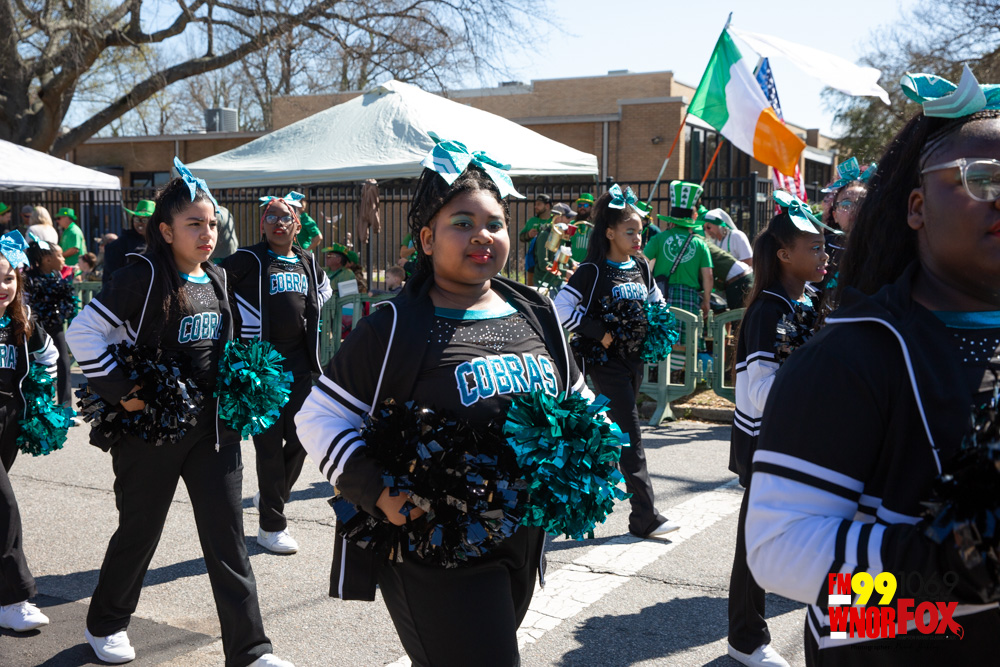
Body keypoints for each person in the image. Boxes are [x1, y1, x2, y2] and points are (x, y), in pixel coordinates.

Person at [295, 139, 589, 667]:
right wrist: (375, 489)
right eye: (463, 223)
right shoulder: (395, 325)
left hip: (522, 537)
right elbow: (319, 415)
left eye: (495, 224)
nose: (483, 235)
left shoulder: (536, 311)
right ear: (427, 239)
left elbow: (576, 398)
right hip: (435, 548)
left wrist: (588, 453)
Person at [745, 67, 1000, 665]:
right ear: (917, 206)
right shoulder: (852, 355)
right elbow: (778, 547)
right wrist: (954, 573)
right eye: (983, 178)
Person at [66, 163, 293, 667]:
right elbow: (82, 332)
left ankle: (251, 649)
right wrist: (124, 392)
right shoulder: (141, 275)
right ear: (166, 231)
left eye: (211, 223)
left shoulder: (217, 275)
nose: (206, 233)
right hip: (153, 431)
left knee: (228, 539)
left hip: (214, 431)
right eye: (193, 224)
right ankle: (106, 623)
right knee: (140, 531)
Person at [726, 193, 828, 667]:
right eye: (815, 248)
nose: (824, 256)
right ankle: (746, 639)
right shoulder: (768, 310)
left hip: (804, 440)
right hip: (768, 445)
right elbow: (758, 393)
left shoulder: (808, 300)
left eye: (824, 246)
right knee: (755, 544)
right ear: (785, 254)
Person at [553, 184, 679, 540]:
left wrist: (656, 325)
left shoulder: (639, 266)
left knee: (612, 436)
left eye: (640, 231)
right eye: (630, 232)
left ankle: (575, 503)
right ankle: (645, 516)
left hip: (633, 362)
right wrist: (599, 332)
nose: (639, 238)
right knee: (631, 436)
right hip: (604, 363)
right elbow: (559, 309)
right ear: (610, 233)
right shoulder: (592, 271)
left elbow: (656, 301)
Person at [222, 193, 332, 556]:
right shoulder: (249, 259)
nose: (279, 223)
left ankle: (273, 493)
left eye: (285, 218)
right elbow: (213, 281)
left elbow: (324, 290)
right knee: (268, 447)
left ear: (297, 225)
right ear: (262, 225)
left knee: (303, 436)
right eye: (271, 217)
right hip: (261, 367)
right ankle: (271, 527)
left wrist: (313, 312)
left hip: (299, 365)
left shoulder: (307, 261)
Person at [0, 231, 58, 635]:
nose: (3, 287)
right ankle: (13, 599)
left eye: (8, 278)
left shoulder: (20, 320)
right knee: (5, 507)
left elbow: (48, 354)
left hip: (9, 423)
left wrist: (41, 396)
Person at [644, 181, 714, 322]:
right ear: (693, 217)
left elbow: (642, 262)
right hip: (689, 298)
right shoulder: (700, 244)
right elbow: (708, 276)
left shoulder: (658, 239)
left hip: (661, 295)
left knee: (662, 335)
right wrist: (706, 301)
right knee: (688, 336)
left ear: (672, 218)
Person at [24, 237, 75, 406]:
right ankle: (39, 404)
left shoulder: (57, 276)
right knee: (37, 365)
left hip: (55, 327)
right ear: (47, 259)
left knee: (63, 364)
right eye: (59, 255)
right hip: (35, 330)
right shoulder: (28, 279)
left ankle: (65, 408)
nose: (63, 259)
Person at [815, 158, 875, 297]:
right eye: (846, 204)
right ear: (835, 215)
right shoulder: (821, 248)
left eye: (862, 204)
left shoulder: (882, 249)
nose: (854, 209)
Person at [102, 200, 153, 284]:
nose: (140, 223)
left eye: (145, 220)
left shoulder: (160, 242)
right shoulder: (121, 243)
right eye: (137, 219)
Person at [520, 194, 555, 287]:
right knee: (532, 289)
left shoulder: (554, 221)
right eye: (535, 204)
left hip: (550, 261)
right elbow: (521, 237)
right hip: (533, 262)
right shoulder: (532, 221)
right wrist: (528, 235)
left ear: (547, 206)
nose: (535, 207)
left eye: (539, 204)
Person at [570, 193, 595, 263]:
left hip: (589, 264)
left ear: (591, 207)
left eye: (586, 205)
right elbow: (567, 243)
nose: (582, 207)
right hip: (574, 264)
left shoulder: (595, 225)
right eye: (580, 205)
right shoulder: (572, 224)